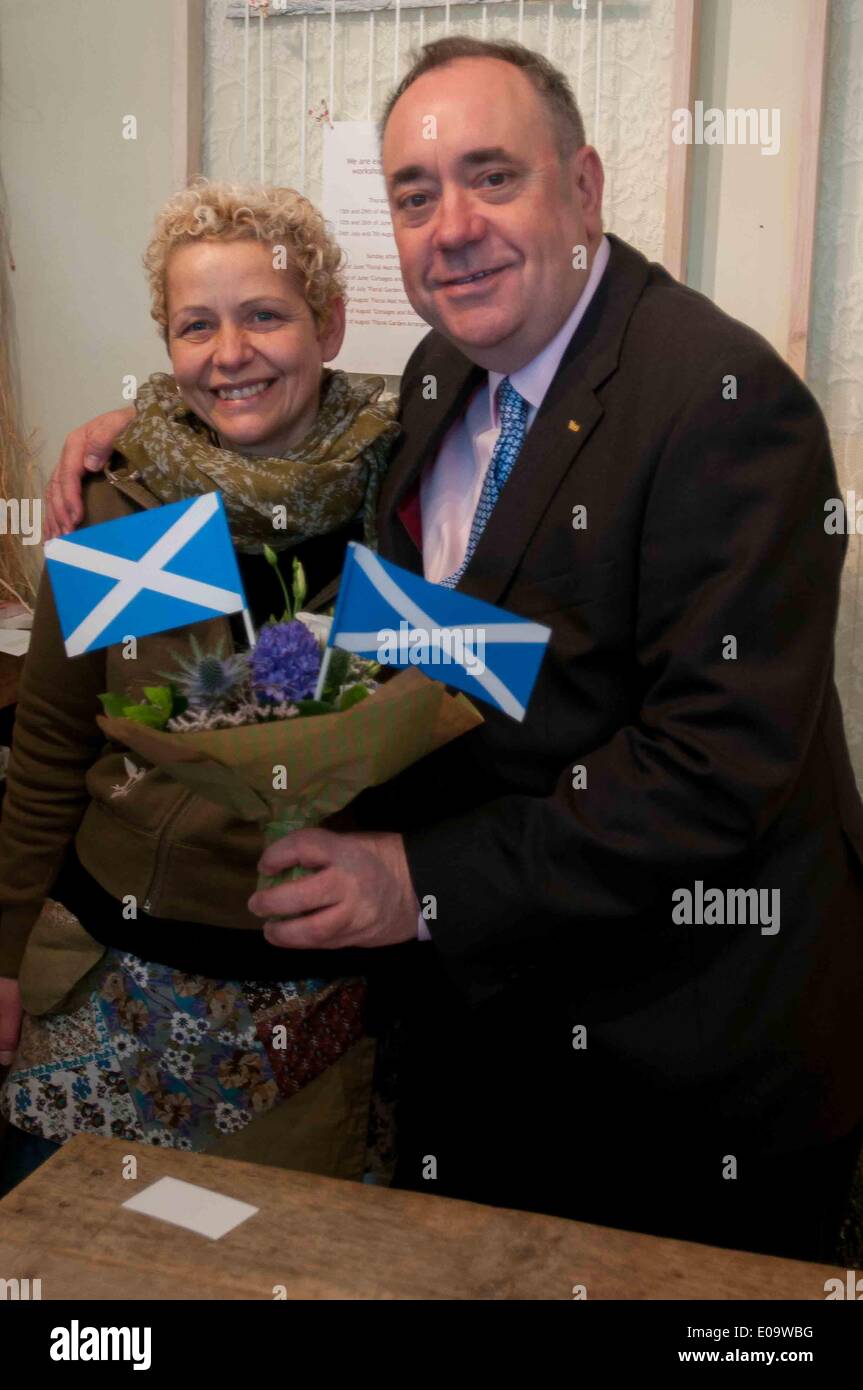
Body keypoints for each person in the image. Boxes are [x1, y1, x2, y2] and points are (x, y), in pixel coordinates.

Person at [40, 38, 863, 1264]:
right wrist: (152, 423)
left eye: (493, 177)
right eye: (416, 196)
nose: (452, 226)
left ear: (582, 186)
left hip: (679, 1055)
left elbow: (711, 771)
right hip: (483, 1034)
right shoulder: (442, 376)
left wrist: (415, 880)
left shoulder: (722, 405)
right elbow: (279, 413)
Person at [0, 180, 400, 1195]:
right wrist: (3, 955)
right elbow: (48, 751)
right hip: (100, 977)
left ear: (329, 323)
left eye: (265, 313)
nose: (229, 353)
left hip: (296, 1007)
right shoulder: (130, 509)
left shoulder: (401, 502)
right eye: (196, 324)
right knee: (71, 1276)